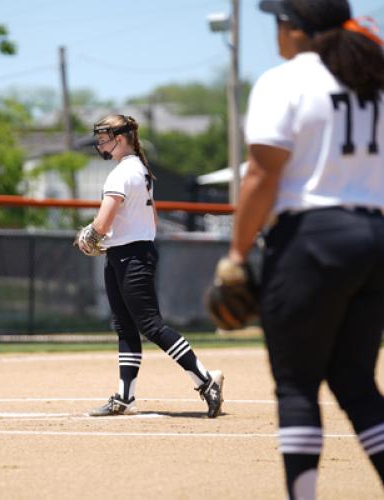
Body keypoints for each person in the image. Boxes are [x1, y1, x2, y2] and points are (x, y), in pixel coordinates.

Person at [226, 0, 384, 497]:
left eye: (278, 21)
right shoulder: (373, 80)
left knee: (296, 385)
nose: (276, 32)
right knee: (356, 382)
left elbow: (261, 174)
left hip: (312, 241)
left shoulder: (287, 79)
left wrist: (235, 255)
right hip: (375, 241)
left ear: (294, 29)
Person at [75, 114, 224, 418]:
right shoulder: (140, 170)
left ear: (121, 138)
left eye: (105, 136)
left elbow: (103, 222)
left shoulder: (121, 173)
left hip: (130, 256)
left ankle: (206, 381)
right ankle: (125, 397)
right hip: (128, 252)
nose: (100, 142)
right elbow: (152, 219)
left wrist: (87, 236)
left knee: (151, 326)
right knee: (126, 327)